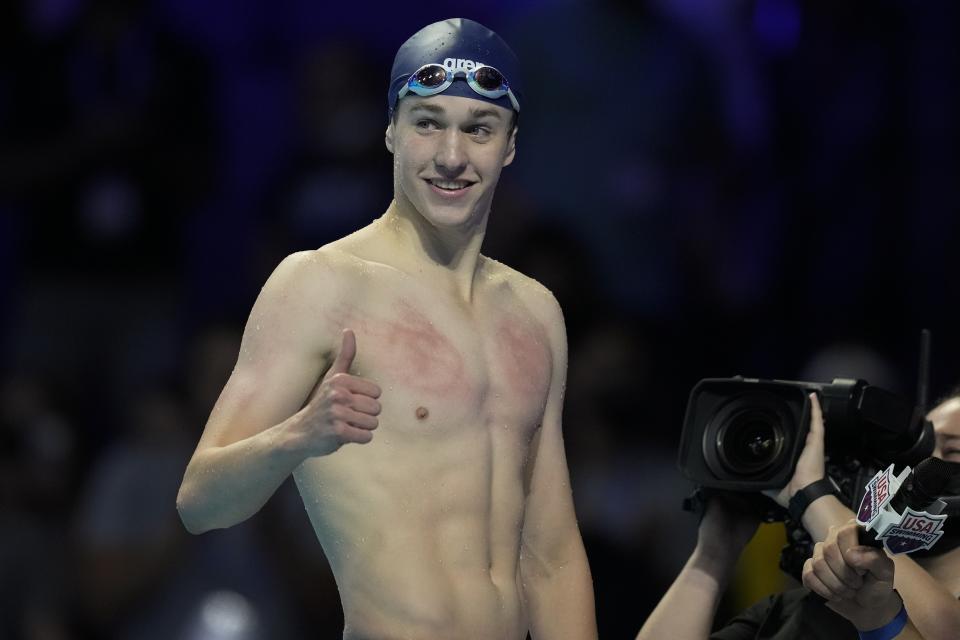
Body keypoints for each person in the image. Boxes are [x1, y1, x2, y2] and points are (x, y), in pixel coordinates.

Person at [176, 18, 598, 640]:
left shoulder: (536, 313)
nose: (451, 157)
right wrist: (299, 434)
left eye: (478, 129)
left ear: (509, 145)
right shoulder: (321, 285)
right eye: (427, 123)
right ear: (391, 132)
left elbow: (553, 553)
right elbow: (200, 503)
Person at [637, 391, 960, 640]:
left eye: (953, 450)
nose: (920, 464)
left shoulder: (923, 614)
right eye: (918, 446)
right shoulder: (793, 613)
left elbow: (944, 631)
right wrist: (714, 553)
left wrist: (810, 495)